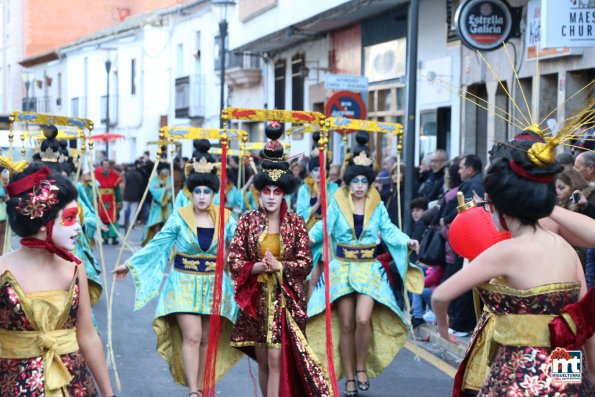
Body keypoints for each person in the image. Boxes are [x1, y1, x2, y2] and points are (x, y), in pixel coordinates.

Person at [432, 132, 595, 395]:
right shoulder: (563, 247)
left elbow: (441, 295)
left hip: (520, 366)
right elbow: (583, 319)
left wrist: (442, 327)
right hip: (556, 352)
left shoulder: (515, 242)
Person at [113, 140, 240, 397]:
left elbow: (241, 247)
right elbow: (158, 244)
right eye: (198, 192)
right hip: (183, 283)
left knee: (206, 340)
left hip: (214, 286)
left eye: (207, 191)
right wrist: (130, 263)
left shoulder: (227, 218)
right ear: (190, 193)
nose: (202, 196)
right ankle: (193, 391)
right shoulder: (180, 216)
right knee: (192, 336)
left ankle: (205, 388)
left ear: (214, 193)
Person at [307, 131, 423, 397]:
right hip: (342, 268)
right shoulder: (337, 202)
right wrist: (299, 237)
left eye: (364, 181)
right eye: (355, 181)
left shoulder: (377, 205)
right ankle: (348, 375)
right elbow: (322, 229)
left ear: (369, 183)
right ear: (348, 182)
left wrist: (407, 241)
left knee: (363, 319)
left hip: (369, 269)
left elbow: (390, 230)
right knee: (346, 324)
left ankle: (361, 367)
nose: (359, 185)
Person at [228, 121, 330, 397]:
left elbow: (306, 263)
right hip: (256, 300)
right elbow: (234, 259)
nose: (271, 197)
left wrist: (281, 266)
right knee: (263, 361)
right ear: (259, 193)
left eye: (277, 192)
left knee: (276, 360)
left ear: (283, 193)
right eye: (266, 191)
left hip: (284, 301)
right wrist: (257, 266)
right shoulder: (247, 221)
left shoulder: (296, 223)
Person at [0, 162, 115, 396]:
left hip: (74, 385)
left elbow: (88, 336)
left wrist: (108, 393)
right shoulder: (2, 270)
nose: (78, 227)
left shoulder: (74, 268)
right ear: (42, 223)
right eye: (70, 218)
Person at [141, 161, 173, 246]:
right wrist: (165, 189)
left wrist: (166, 190)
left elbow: (172, 191)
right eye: (164, 170)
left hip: (168, 205)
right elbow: (154, 191)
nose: (165, 171)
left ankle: (167, 244)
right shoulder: (154, 180)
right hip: (158, 206)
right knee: (156, 223)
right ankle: (156, 244)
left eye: (167, 170)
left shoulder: (171, 179)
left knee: (169, 225)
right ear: (159, 170)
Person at [95, 159, 123, 245]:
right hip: (101, 200)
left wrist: (119, 201)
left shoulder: (113, 175)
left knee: (113, 218)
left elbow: (117, 190)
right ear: (101, 166)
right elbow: (94, 190)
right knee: (103, 218)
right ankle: (105, 237)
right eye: (105, 165)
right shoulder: (96, 175)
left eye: (107, 165)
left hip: (112, 199)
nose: (106, 167)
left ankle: (114, 237)